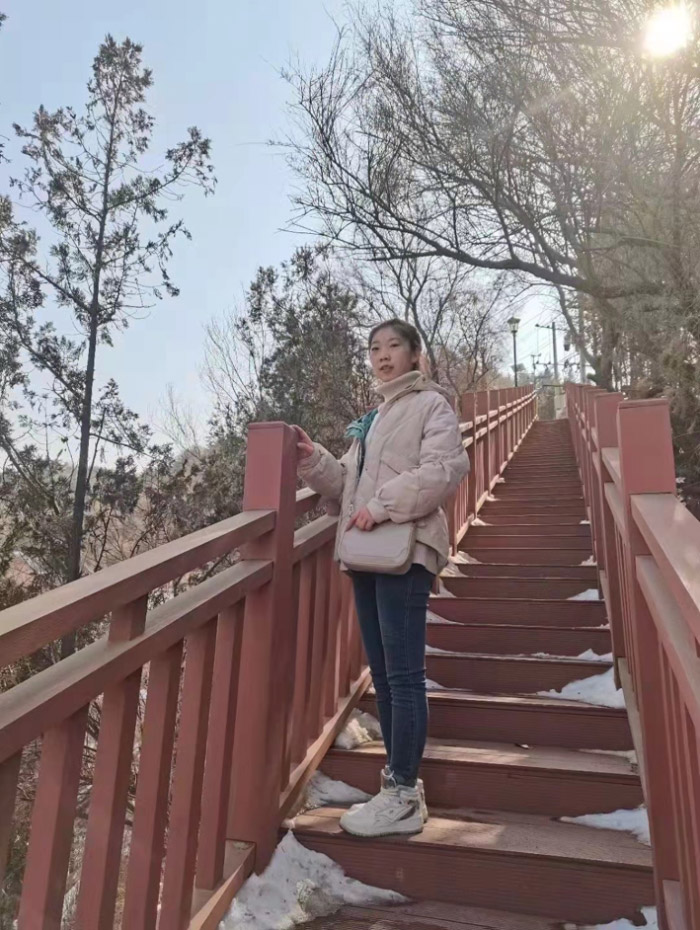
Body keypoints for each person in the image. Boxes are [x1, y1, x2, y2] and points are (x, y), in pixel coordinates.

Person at [294, 319, 470, 838]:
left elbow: (445, 469)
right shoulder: (374, 418)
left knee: (404, 675)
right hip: (367, 556)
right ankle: (397, 786)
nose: (383, 355)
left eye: (394, 346)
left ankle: (403, 793)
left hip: (407, 552)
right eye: (375, 348)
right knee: (386, 674)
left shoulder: (432, 406)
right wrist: (312, 460)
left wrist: (381, 506)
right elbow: (345, 485)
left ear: (416, 355)